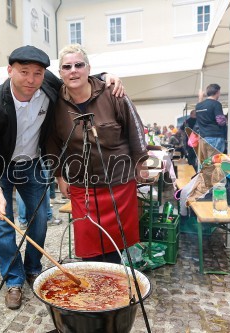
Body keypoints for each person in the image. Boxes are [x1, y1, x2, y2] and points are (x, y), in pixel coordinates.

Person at [0, 45, 125, 310]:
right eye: (24, 72)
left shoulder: (47, 84)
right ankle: (13, 280)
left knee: (39, 221)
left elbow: (77, 78)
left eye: (37, 73)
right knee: (3, 224)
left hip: (34, 163)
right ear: (10, 70)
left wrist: (106, 76)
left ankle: (33, 268)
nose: (31, 80)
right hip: (1, 165)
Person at [46, 44, 149, 266]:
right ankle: (96, 287)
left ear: (88, 68)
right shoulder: (56, 103)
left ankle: (116, 284)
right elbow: (53, 144)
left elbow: (135, 127)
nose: (73, 70)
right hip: (82, 185)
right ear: (60, 73)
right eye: (67, 67)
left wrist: (140, 163)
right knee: (89, 243)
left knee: (118, 242)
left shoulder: (113, 92)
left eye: (78, 65)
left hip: (118, 181)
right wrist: (59, 175)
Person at [195, 84, 226, 156]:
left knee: (207, 164)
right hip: (215, 136)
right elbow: (221, 121)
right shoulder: (216, 104)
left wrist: (200, 97)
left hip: (203, 138)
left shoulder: (198, 106)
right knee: (215, 163)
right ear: (217, 92)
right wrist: (225, 120)